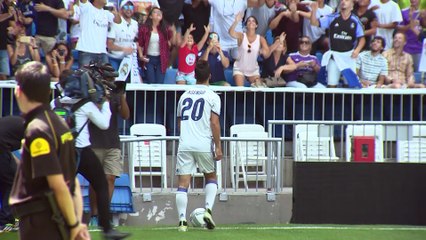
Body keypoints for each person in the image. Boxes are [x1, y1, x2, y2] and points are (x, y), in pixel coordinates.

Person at [10, 61, 89, 240]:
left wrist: (74, 225)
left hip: (42, 222)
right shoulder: (60, 124)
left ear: (18, 91)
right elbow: (72, 181)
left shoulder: (37, 130)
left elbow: (58, 184)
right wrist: (75, 221)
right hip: (58, 217)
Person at [55, 70, 130, 239]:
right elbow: (104, 124)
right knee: (101, 184)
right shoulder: (85, 104)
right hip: (82, 150)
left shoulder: (55, 103)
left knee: (62, 187)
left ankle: (57, 223)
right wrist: (104, 104)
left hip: (61, 151)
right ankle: (107, 228)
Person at [175, 60, 222, 232]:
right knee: (211, 177)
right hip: (203, 143)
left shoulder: (184, 96)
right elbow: (214, 123)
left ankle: (182, 221)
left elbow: (180, 123)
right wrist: (218, 146)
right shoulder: (213, 96)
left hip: (185, 144)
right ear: (210, 76)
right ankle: (208, 210)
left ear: (194, 76)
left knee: (183, 183)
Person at [88, 81, 130, 230]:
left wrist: (122, 96)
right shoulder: (93, 91)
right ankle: (94, 215)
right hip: (94, 142)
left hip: (112, 143)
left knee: (110, 178)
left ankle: (103, 216)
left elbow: (125, 115)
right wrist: (103, 96)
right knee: (95, 181)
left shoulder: (115, 94)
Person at [309, 0, 365, 88]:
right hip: (334, 56)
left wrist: (357, 50)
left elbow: (362, 38)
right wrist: (314, 10)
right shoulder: (332, 18)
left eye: (346, 0)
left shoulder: (355, 21)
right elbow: (314, 23)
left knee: (351, 86)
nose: (343, 2)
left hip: (349, 57)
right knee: (331, 85)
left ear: (352, 5)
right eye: (342, 0)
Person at [229, 13, 276, 87]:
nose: (251, 22)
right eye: (249, 21)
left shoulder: (261, 38)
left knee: (259, 88)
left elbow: (267, 55)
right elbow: (231, 33)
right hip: (239, 68)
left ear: (256, 25)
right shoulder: (241, 35)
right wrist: (236, 21)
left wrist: (273, 46)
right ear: (246, 25)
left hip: (253, 69)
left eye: (253, 21)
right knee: (240, 90)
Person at [75, 0, 121, 67]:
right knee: (86, 76)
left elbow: (118, 21)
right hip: (86, 51)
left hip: (102, 52)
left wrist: (116, 14)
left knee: (106, 76)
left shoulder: (106, 13)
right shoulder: (87, 7)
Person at [138, 7, 176, 84]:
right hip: (149, 58)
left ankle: (159, 97)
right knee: (151, 82)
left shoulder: (165, 29)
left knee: (160, 83)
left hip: (161, 59)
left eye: (160, 12)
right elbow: (140, 44)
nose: (158, 13)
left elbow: (171, 43)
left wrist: (174, 33)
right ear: (151, 16)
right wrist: (141, 56)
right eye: (155, 12)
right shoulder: (144, 29)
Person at [0, 116, 24, 233]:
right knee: (11, 181)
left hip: (3, 148)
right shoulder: (35, 127)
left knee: (11, 177)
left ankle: (8, 218)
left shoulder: (19, 122)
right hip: (1, 148)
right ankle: (4, 221)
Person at [107, 0, 139, 71]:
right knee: (113, 80)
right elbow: (109, 45)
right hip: (114, 58)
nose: (129, 9)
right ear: (121, 9)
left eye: (131, 7)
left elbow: (138, 39)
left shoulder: (135, 24)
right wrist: (124, 49)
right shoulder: (115, 22)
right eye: (126, 7)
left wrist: (136, 45)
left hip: (128, 59)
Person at [397, 0, 425, 71]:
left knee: (418, 72)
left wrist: (423, 17)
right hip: (406, 47)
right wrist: (411, 23)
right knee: (403, 71)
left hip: (419, 48)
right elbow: (399, 29)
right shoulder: (403, 12)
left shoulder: (423, 13)